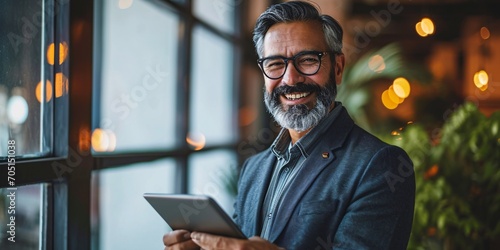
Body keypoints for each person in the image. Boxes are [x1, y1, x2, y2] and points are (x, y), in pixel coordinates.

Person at [163, 1, 415, 249]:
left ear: (337, 68)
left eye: (307, 60)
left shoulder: (381, 165)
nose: (290, 79)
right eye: (275, 64)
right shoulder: (254, 168)